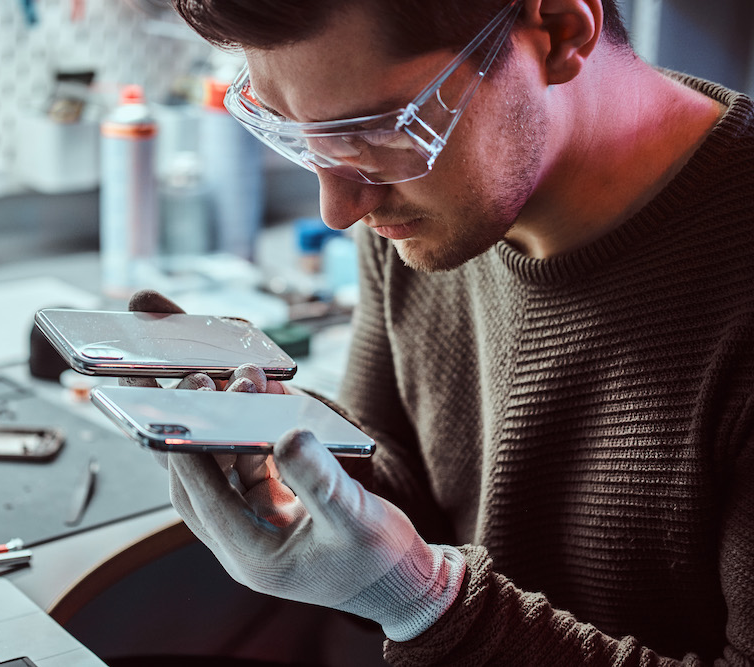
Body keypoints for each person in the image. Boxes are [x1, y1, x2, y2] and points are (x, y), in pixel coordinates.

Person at [127, 0, 754, 664]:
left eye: (374, 132)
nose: (339, 208)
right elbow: (409, 497)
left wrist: (424, 602)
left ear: (562, 32)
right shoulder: (420, 209)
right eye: (298, 134)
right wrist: (297, 465)